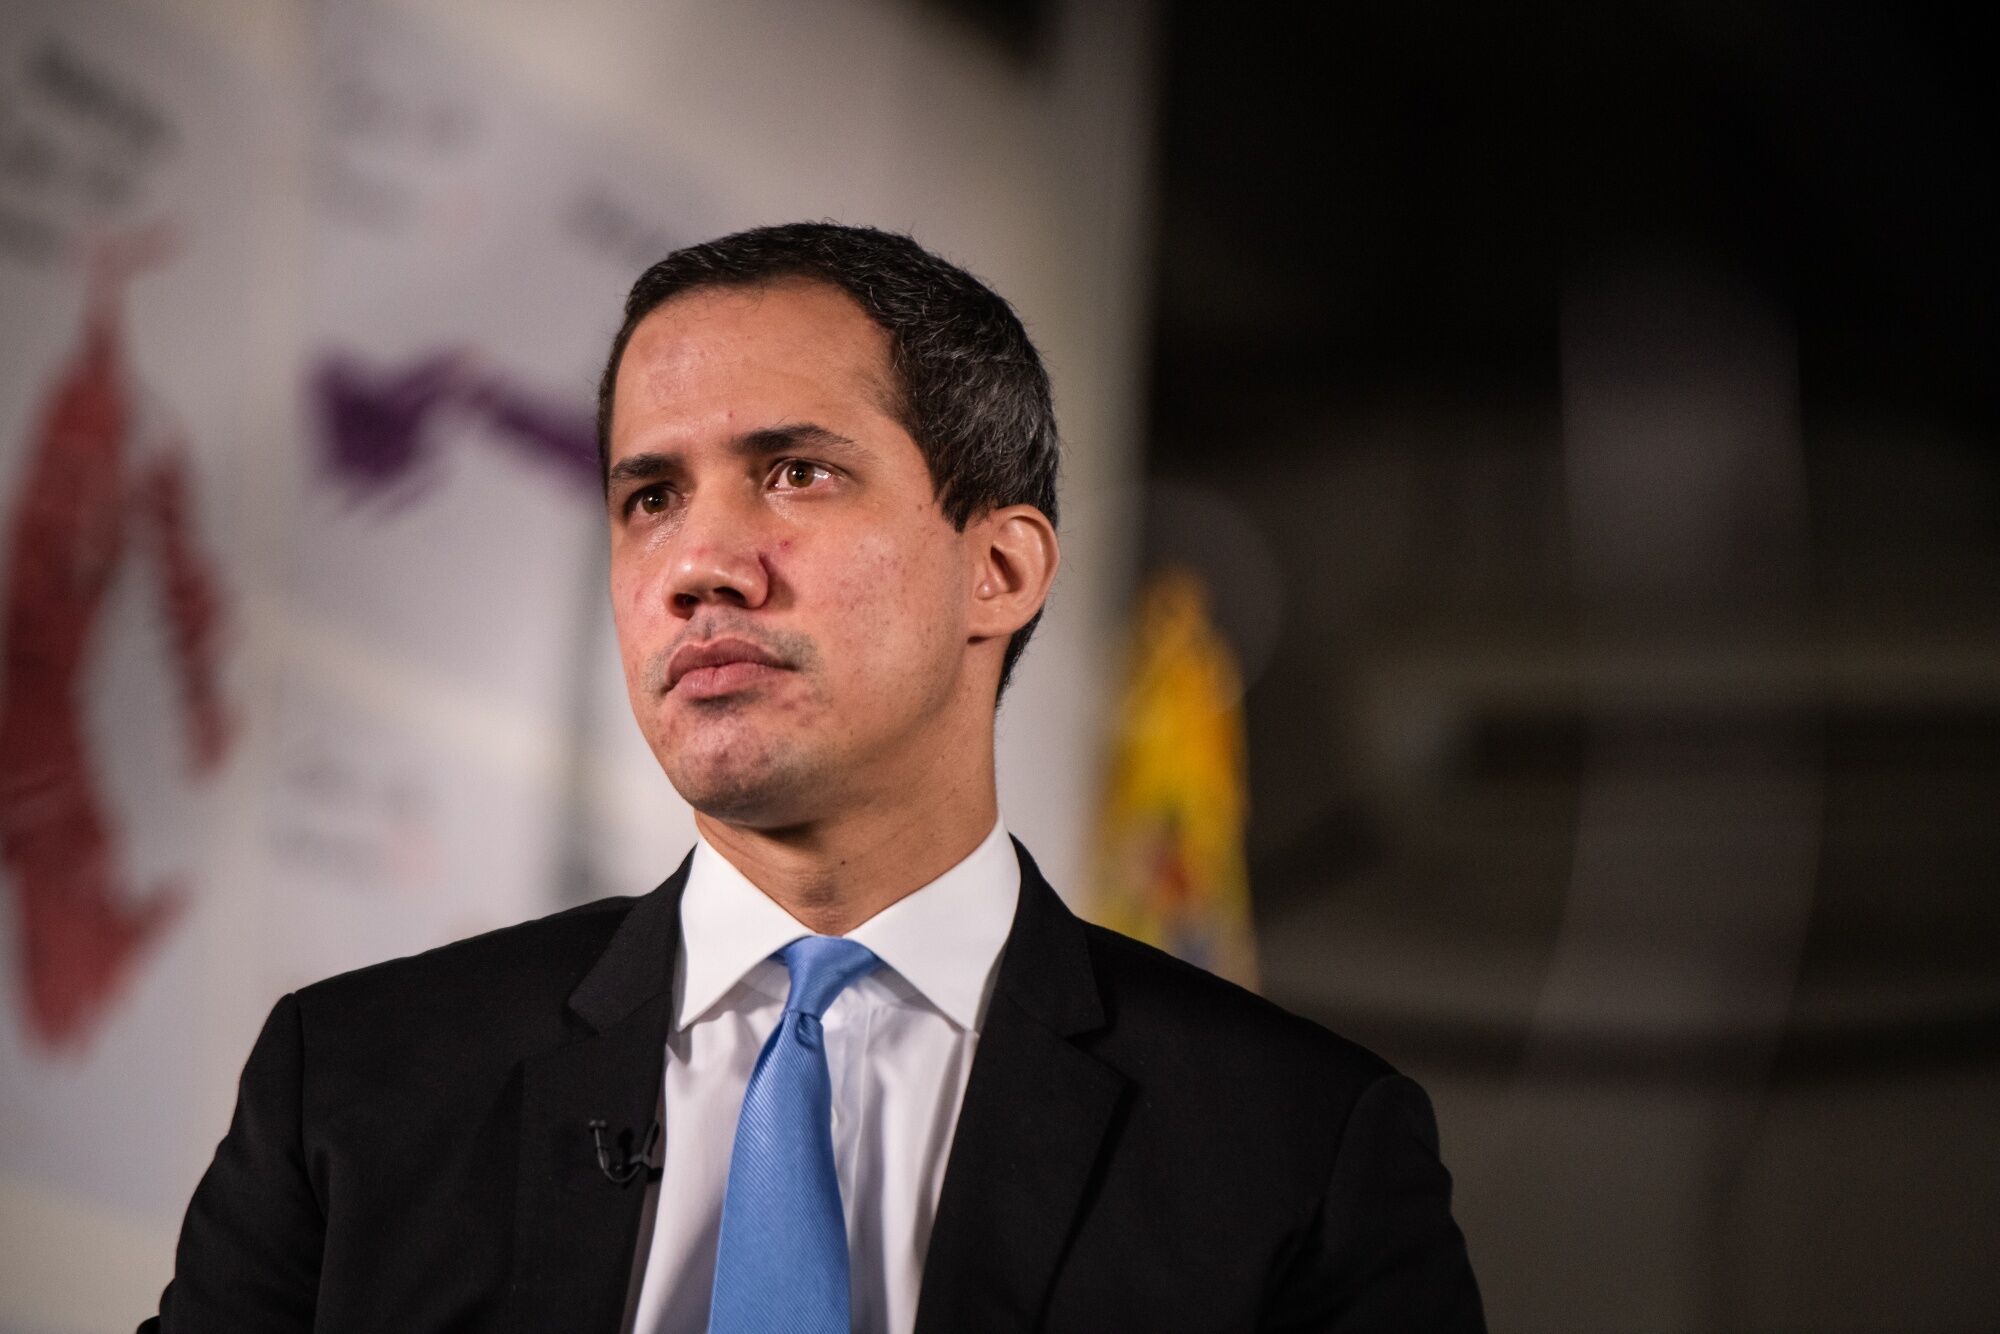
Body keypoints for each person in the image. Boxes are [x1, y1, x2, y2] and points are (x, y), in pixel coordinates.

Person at [143, 222, 1484, 1332]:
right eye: (649, 496)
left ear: (999, 570)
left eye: (793, 471)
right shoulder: (355, 1089)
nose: (698, 561)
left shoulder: (1297, 1149)